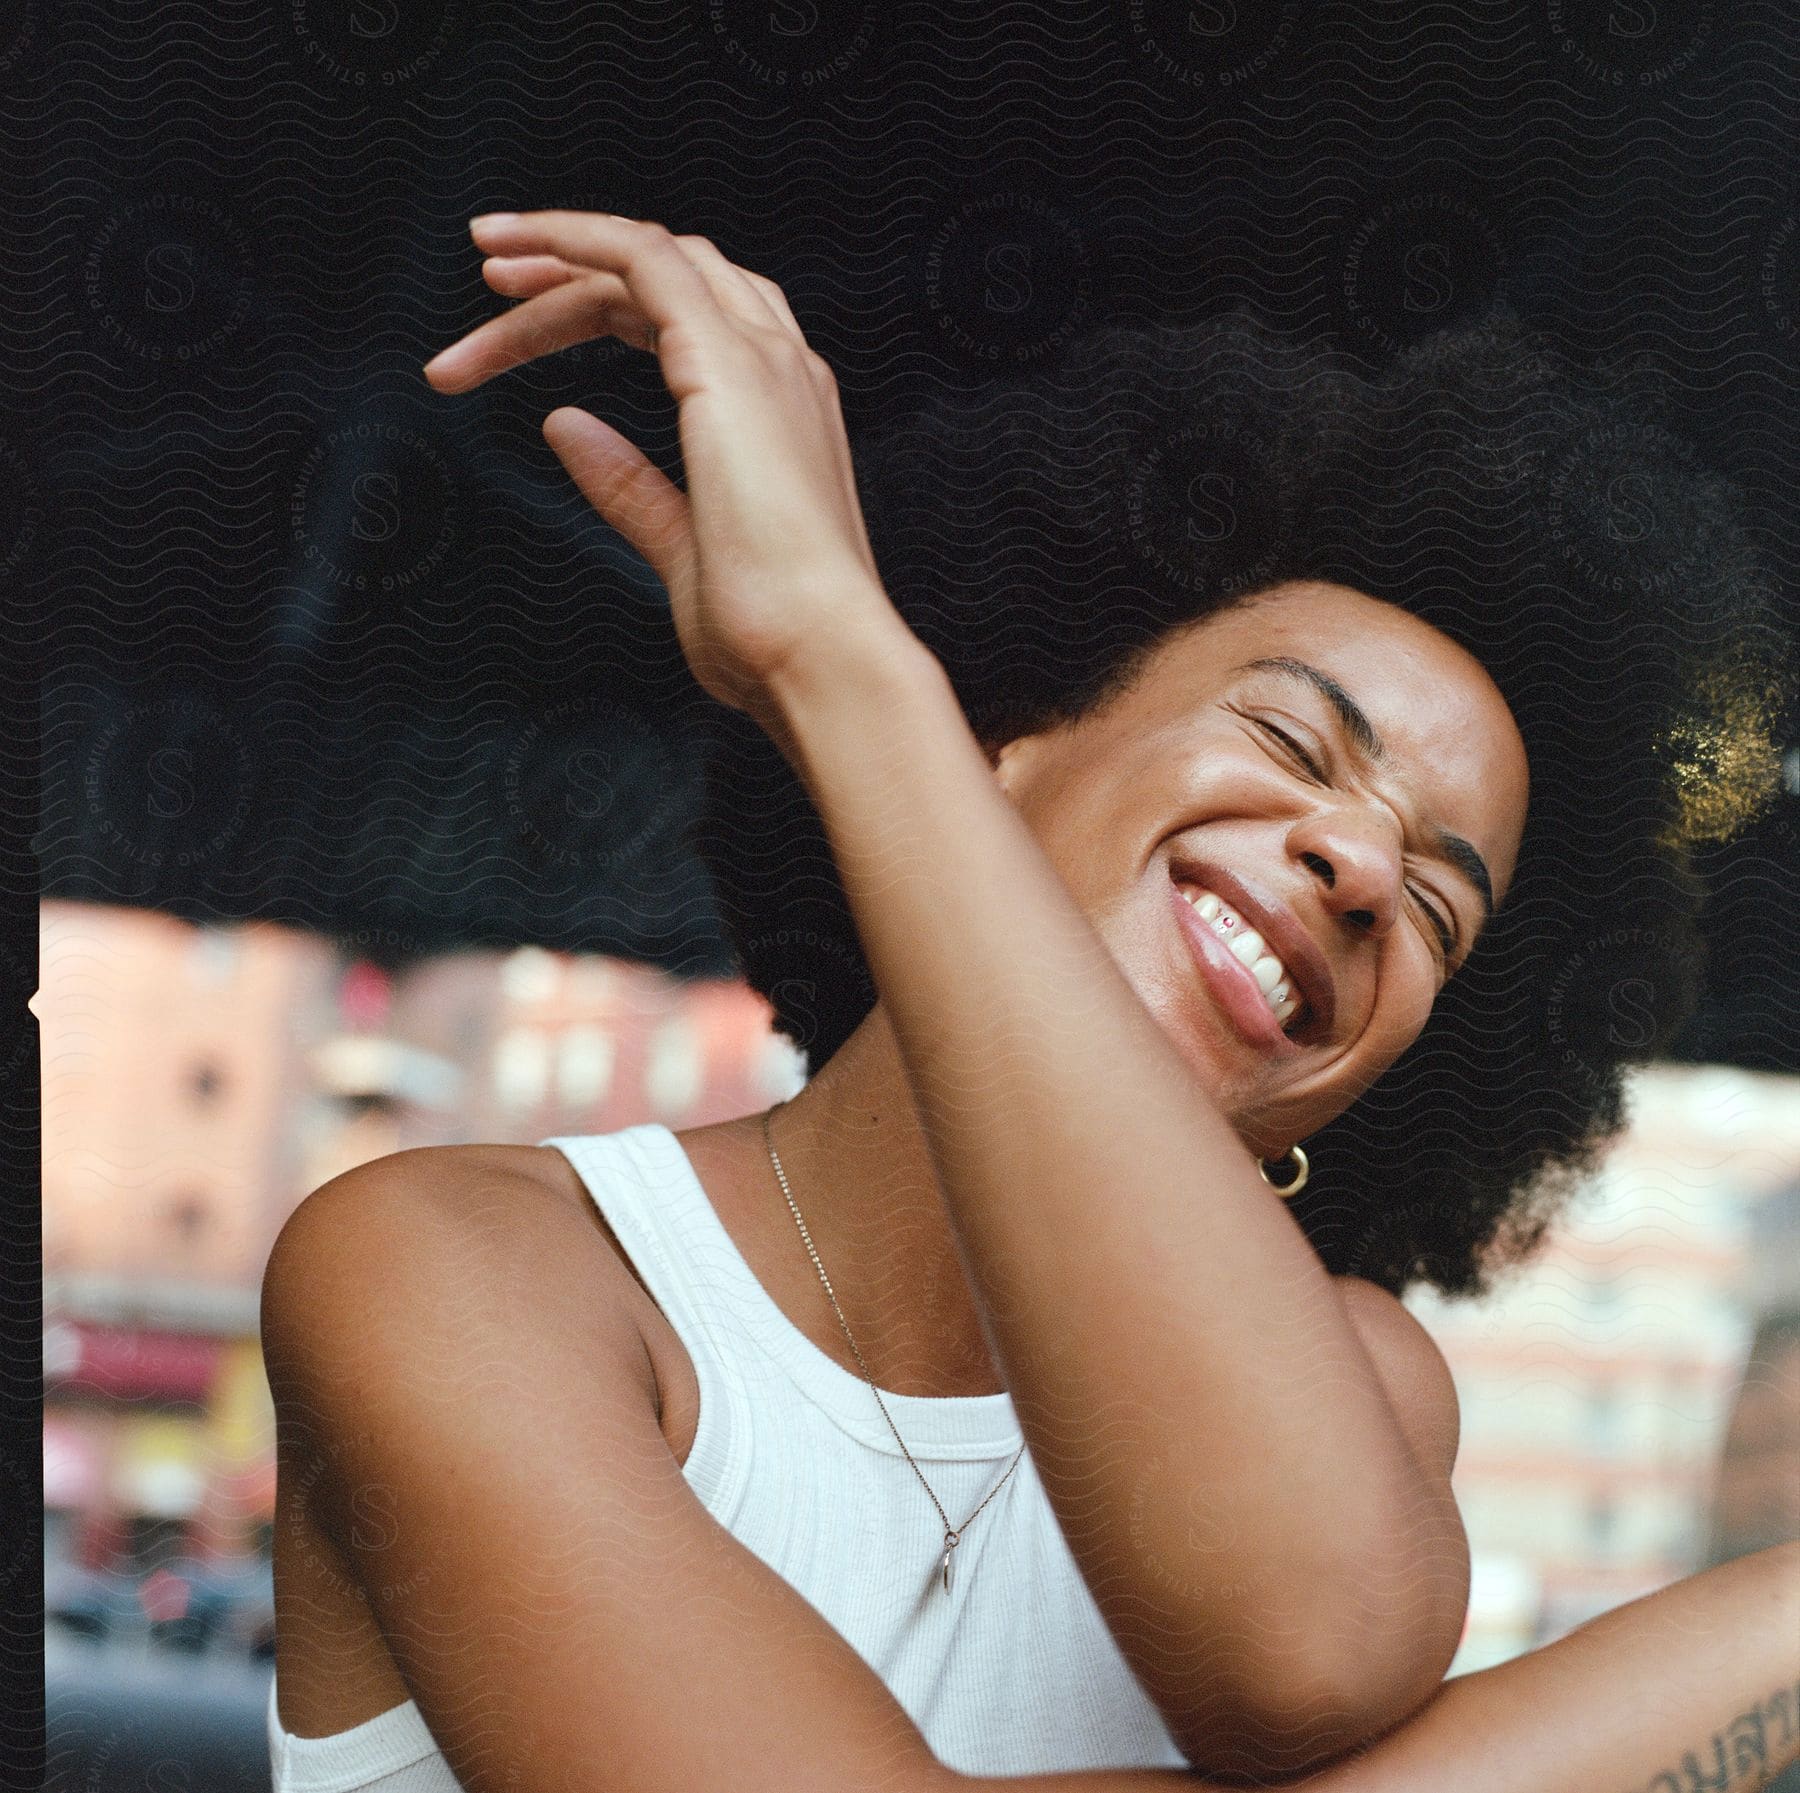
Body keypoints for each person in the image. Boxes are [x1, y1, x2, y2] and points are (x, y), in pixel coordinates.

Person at [261, 212, 1797, 1792]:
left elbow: (1306, 1641)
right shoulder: (462, 1266)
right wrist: (840, 663)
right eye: (1290, 741)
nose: (1353, 860)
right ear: (1004, 735)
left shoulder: (1368, 1390)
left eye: (1432, 905)